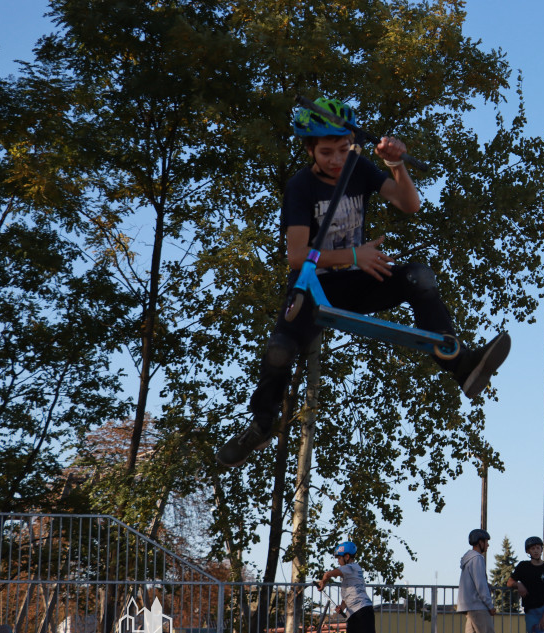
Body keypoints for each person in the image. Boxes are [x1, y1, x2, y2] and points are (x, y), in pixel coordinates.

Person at [218, 97, 511, 466]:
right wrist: (354, 255)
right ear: (310, 149)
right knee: (278, 350)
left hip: (356, 280)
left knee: (418, 277)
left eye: (343, 149)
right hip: (313, 288)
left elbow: (409, 205)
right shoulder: (300, 187)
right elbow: (296, 255)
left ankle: (462, 366)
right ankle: (261, 425)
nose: (336, 160)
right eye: (326, 152)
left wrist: (395, 164)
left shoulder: (359, 169)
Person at [316, 541, 395, 633]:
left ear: (347, 556)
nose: (338, 561)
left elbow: (328, 574)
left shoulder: (351, 567)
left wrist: (323, 582)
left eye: (339, 558)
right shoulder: (350, 572)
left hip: (363, 612)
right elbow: (351, 593)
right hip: (353, 614)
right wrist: (342, 607)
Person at [458, 529, 500, 633]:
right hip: (478, 605)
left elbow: (475, 580)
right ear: (479, 542)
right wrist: (490, 605)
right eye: (486, 542)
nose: (488, 545)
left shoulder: (468, 559)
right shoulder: (477, 559)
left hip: (468, 605)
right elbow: (480, 585)